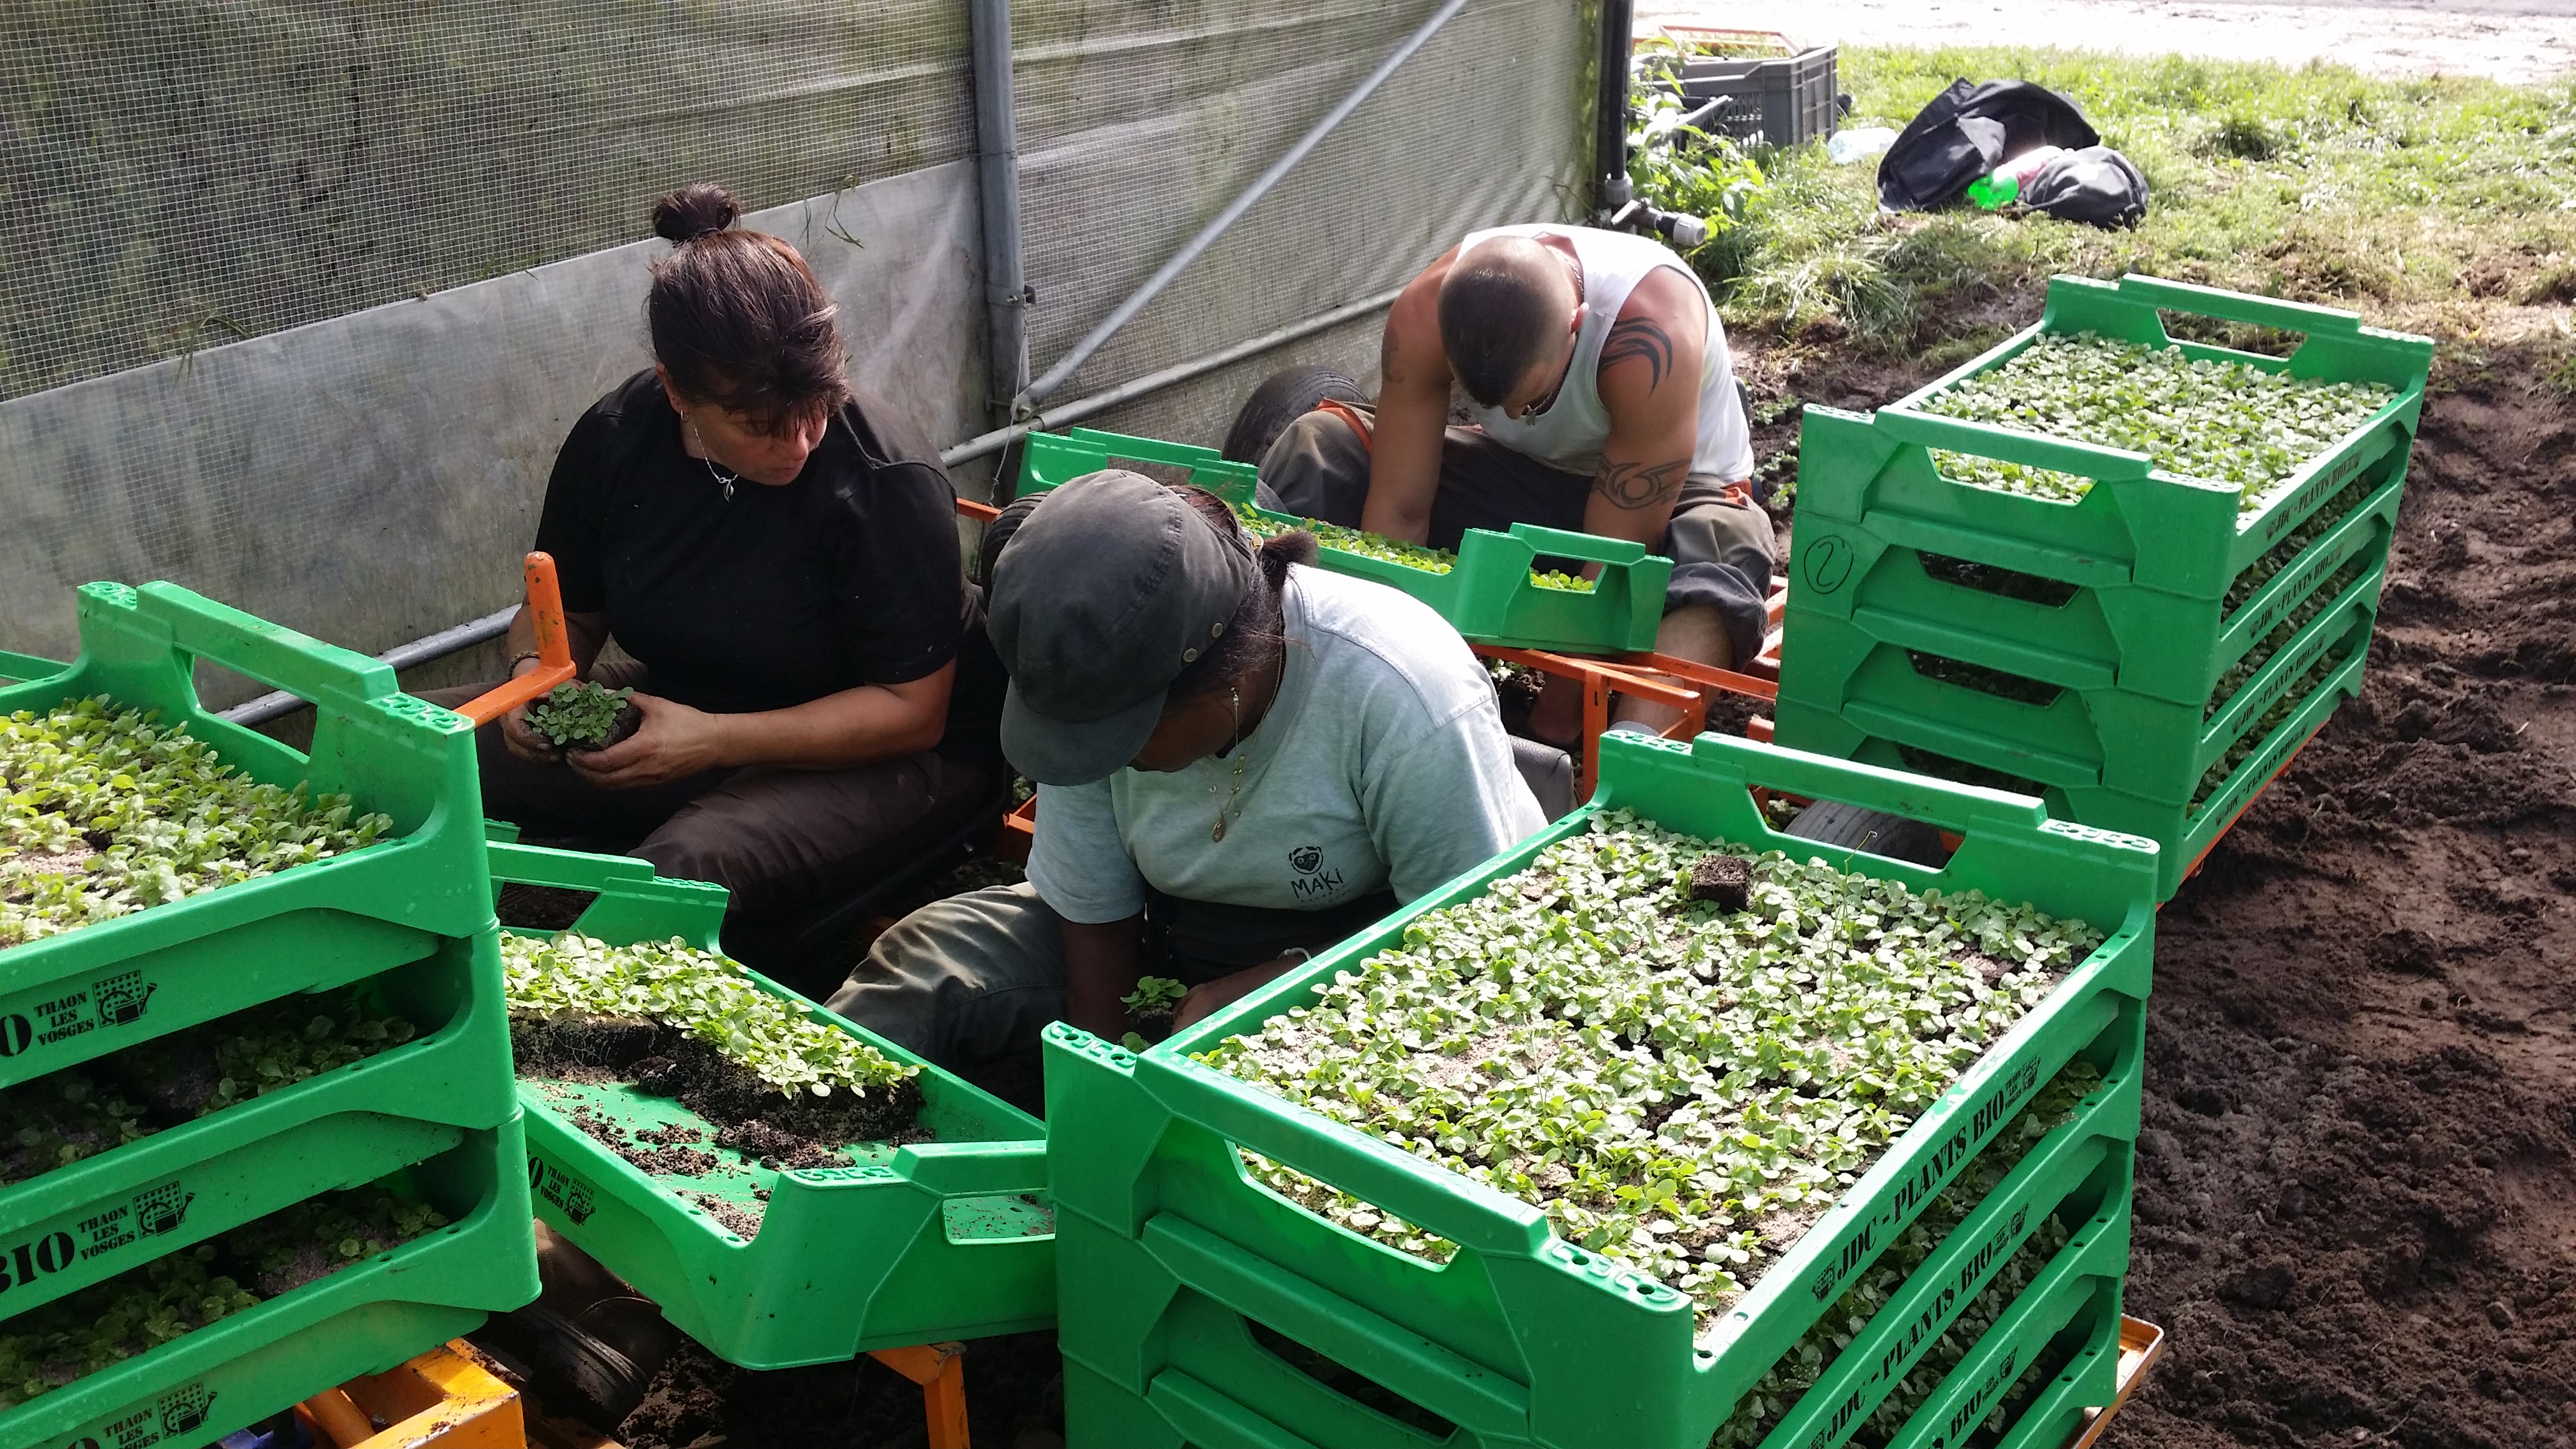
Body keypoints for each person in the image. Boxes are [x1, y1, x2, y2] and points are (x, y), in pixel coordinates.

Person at [431, 183, 1001, 960]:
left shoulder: (881, 479)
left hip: (894, 756)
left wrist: (715, 741)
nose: (798, 444)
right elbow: (566, 610)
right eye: (759, 426)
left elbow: (912, 713)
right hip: (689, 706)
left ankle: (536, 1019)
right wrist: (532, 678)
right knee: (421, 736)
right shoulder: (616, 439)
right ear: (676, 390)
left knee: (686, 866)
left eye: (818, 407)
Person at [826, 470, 1547, 1065]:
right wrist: (1104, 1083)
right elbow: (1095, 918)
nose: (1098, 761)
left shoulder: (1404, 694)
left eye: (1122, 737)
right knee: (928, 968)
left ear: (1222, 683)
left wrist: (1285, 986)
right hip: (1171, 932)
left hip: (1376, 948)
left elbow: (1461, 956)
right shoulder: (1090, 666)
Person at [1256, 222, 1771, 743]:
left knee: (1724, 545)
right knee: (1321, 446)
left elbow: (1612, 562)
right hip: (1519, 479)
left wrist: (1550, 727)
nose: (1514, 415)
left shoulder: (1649, 340)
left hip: (1663, 506)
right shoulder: (1423, 316)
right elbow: (1398, 515)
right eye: (1488, 402)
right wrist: (1395, 675)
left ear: (1577, 324)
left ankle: (1631, 760)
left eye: (1534, 401)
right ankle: (1271, 690)